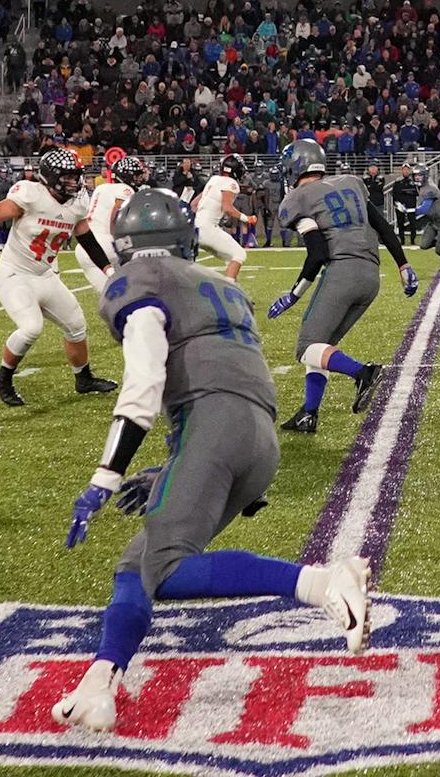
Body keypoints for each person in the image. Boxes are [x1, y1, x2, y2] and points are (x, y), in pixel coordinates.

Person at [50, 189, 373, 733]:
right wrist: (173, 466)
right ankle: (98, 684)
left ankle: (321, 584)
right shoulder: (222, 286)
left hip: (213, 429)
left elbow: (145, 381)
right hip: (255, 437)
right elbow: (226, 372)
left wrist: (106, 475)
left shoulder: (136, 284)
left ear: (127, 244)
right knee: (137, 565)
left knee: (164, 567)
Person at [266, 138, 418, 435]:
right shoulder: (351, 182)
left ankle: (363, 373)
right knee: (321, 344)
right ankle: (309, 413)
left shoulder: (298, 199)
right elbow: (382, 226)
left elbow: (317, 254)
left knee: (306, 348)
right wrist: (403, 265)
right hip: (371, 277)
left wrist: (293, 295)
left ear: (295, 167)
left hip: (342, 273)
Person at [0, 147, 121, 408]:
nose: (74, 182)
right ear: (50, 177)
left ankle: (83, 379)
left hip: (45, 275)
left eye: (76, 176)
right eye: (68, 176)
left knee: (76, 325)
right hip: (15, 274)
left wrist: (109, 271)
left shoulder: (76, 204)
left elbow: (87, 239)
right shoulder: (31, 195)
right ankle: (3, 376)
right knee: (31, 327)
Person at [77, 156, 151, 294]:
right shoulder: (126, 189)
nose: (139, 178)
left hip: (87, 246)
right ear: (126, 175)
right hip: (107, 245)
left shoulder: (101, 188)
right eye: (136, 175)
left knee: (116, 296)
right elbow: (117, 213)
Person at [192, 154, 249, 282]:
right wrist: (246, 218)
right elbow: (228, 208)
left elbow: (194, 204)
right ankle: (229, 291)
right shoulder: (231, 183)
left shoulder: (214, 180)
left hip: (196, 229)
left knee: (231, 258)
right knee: (239, 254)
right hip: (209, 229)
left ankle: (235, 289)